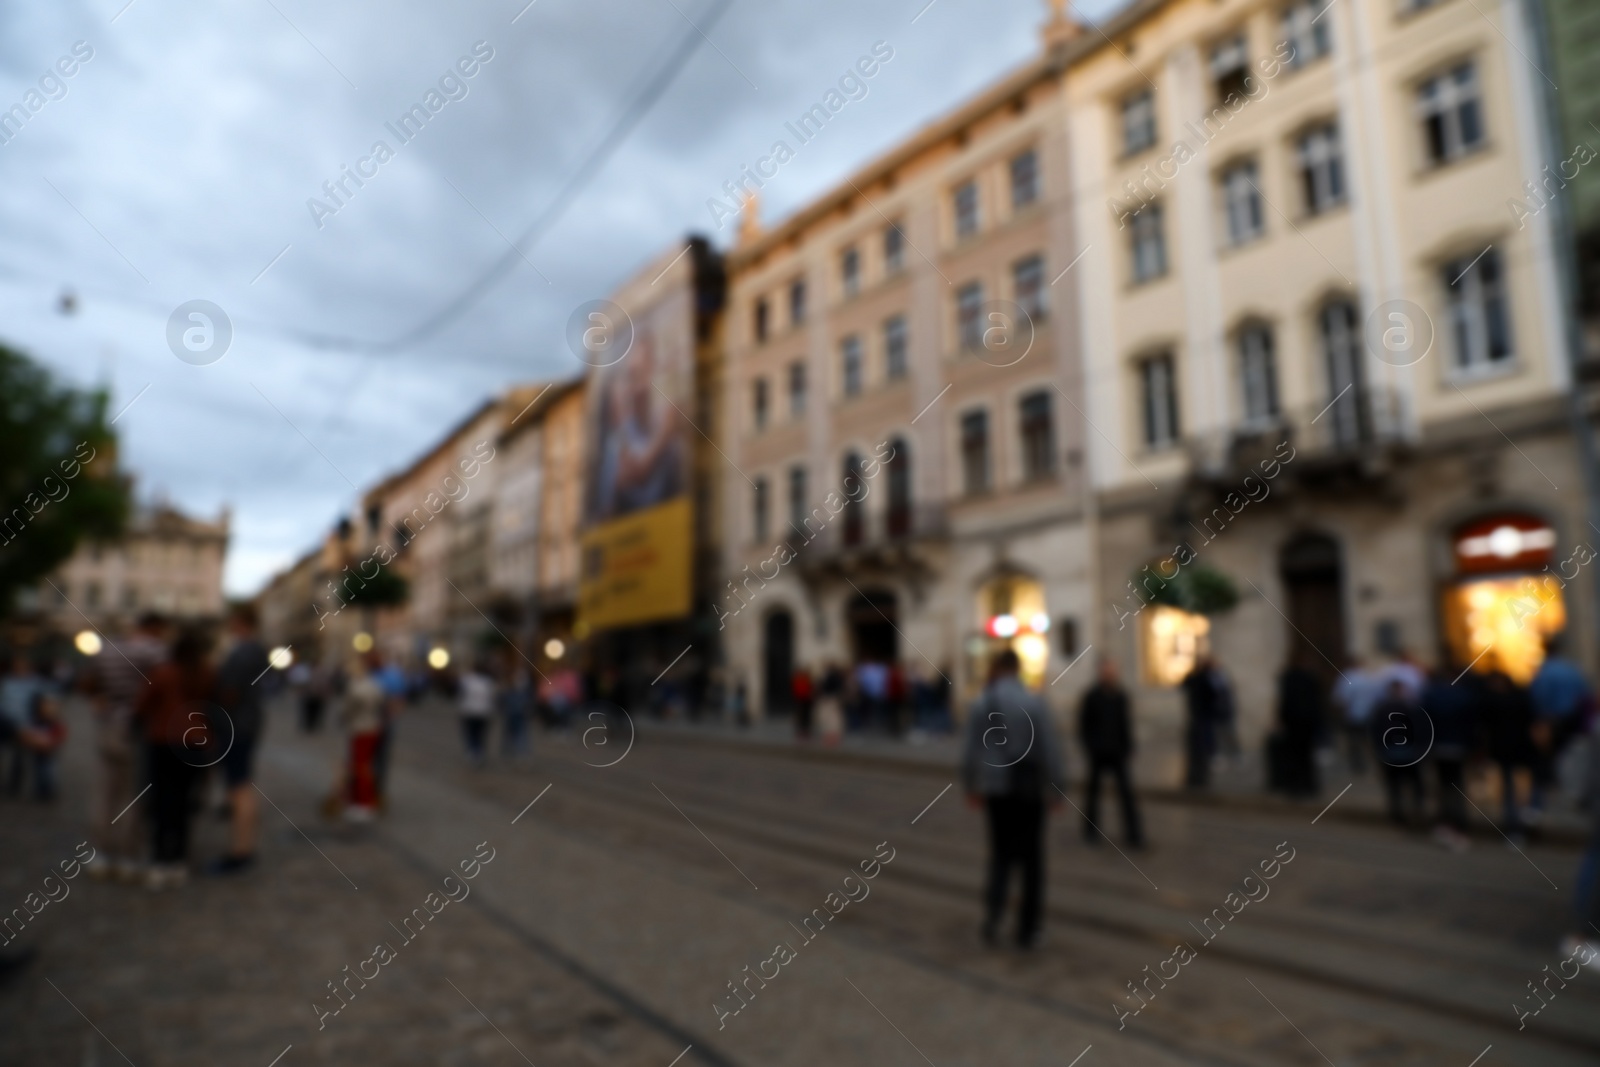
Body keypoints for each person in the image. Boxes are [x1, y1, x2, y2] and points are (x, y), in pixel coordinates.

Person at [962, 649, 1066, 950]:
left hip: (996, 790)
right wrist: (1057, 789)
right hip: (1028, 790)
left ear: (997, 667)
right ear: (1019, 669)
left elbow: (970, 751)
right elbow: (1051, 749)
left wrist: (971, 786)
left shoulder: (982, 701)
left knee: (1000, 854)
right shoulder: (1034, 701)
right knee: (1032, 860)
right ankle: (1028, 929)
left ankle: (993, 917)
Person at [86, 613, 166, 881]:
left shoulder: (109, 649)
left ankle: (101, 853)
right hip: (137, 728)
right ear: (156, 628)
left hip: (109, 724)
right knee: (134, 795)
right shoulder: (155, 651)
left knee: (106, 792)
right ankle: (129, 856)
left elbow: (90, 684)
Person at [135, 626, 217, 889]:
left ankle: (160, 860)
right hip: (194, 743)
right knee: (184, 802)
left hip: (163, 741)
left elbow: (143, 704)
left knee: (161, 802)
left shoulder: (164, 672)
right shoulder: (206, 673)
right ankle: (179, 860)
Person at [209, 605, 270, 874]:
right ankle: (243, 846)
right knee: (240, 784)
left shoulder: (245, 650)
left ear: (241, 622)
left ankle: (241, 849)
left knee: (239, 786)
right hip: (244, 723)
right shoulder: (251, 649)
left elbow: (230, 691)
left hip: (238, 725)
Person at [1077, 658, 1143, 849]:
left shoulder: (1121, 696)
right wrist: (1090, 747)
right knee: (1093, 794)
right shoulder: (1092, 696)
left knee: (1126, 794)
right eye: (1107, 672)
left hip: (1117, 753)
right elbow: (1084, 726)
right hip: (1098, 753)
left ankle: (1134, 834)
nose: (1110, 675)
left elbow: (1125, 725)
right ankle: (1090, 831)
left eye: (1112, 672)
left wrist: (1129, 746)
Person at [1531, 634, 1592, 815]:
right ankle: (1575, 795)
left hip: (1555, 722)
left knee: (1554, 760)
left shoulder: (1544, 672)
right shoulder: (1572, 669)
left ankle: (1555, 799)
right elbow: (1586, 693)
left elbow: (1538, 700)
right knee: (1574, 757)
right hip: (1574, 720)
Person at [1421, 663, 1475, 851]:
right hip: (1458, 748)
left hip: (1437, 748)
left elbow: (1423, 723)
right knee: (1457, 787)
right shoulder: (1464, 696)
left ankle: (1444, 824)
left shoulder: (1430, 695)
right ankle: (1460, 826)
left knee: (1442, 787)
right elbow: (1471, 725)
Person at [1481, 667, 1539, 841]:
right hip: (1521, 748)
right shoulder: (1521, 698)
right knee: (1522, 785)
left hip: (1506, 750)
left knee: (1510, 788)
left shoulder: (1493, 701)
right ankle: (1527, 819)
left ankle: (1516, 823)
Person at [1371, 678, 1426, 828]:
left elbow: (1376, 731)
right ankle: (1413, 811)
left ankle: (1398, 813)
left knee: (1394, 785)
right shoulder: (1411, 708)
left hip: (1391, 752)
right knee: (1413, 783)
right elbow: (1419, 730)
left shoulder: (1382, 708)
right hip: (1407, 752)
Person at [339, 653, 386, 821]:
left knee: (360, 767)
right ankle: (358, 799)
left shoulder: (356, 686)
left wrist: (343, 717)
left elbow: (348, 709)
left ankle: (364, 803)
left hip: (360, 729)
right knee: (363, 766)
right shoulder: (375, 684)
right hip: (373, 727)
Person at [1276, 655, 1324, 799]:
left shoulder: (1290, 678)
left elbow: (1285, 701)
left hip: (1295, 722)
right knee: (1305, 755)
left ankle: (1297, 786)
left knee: (1296, 755)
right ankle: (1306, 785)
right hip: (1305, 722)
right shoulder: (1309, 678)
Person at [1332, 656, 1381, 774]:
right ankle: (1372, 764)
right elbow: (1376, 697)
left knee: (1354, 742)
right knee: (1368, 741)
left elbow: (1340, 698)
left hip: (1352, 715)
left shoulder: (1346, 677)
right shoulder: (1367, 677)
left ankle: (1358, 765)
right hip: (1368, 715)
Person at [1180, 654, 1220, 789]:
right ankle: (1197, 777)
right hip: (1199, 717)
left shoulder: (1205, 677)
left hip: (1202, 717)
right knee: (1198, 748)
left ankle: (1199, 777)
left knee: (1201, 748)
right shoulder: (1202, 677)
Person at [458, 661, 496, 767]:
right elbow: (493, 697)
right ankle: (479, 753)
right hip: (484, 712)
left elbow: (461, 694)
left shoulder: (467, 680)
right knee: (480, 734)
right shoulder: (488, 682)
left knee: (471, 734)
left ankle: (472, 753)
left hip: (469, 711)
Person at [791, 665, 814, 739]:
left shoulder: (805, 680)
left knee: (804, 717)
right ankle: (802, 731)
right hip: (802, 700)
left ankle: (804, 731)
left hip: (805, 700)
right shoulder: (800, 680)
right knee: (802, 717)